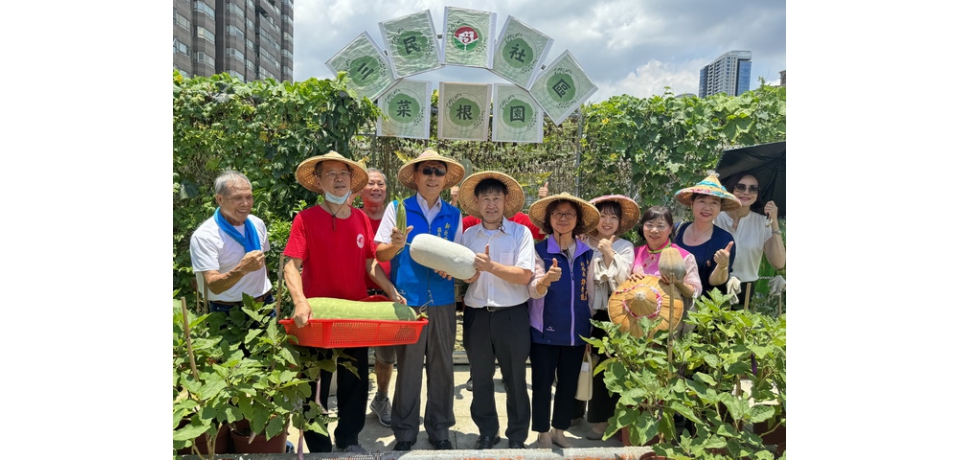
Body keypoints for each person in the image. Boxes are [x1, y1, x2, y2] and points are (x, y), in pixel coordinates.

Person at [282, 151, 404, 454]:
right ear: (319, 180)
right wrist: (300, 301)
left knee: (355, 380)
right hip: (317, 317)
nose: (339, 179)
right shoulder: (306, 219)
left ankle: (349, 440)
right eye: (331, 174)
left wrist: (390, 289)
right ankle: (319, 447)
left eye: (344, 173)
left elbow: (370, 263)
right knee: (315, 385)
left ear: (351, 179)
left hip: (354, 314)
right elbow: (290, 265)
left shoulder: (361, 218)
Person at [373, 149, 465, 451]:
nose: (433, 177)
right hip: (408, 301)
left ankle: (440, 429)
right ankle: (405, 432)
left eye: (439, 172)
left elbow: (460, 259)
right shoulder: (398, 209)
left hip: (442, 301)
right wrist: (394, 245)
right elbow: (379, 254)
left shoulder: (454, 215)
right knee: (408, 369)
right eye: (427, 170)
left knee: (442, 368)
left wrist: (452, 270)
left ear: (445, 179)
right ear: (415, 176)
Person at [457, 171, 535, 450]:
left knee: (515, 379)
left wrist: (491, 267)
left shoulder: (520, 233)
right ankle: (487, 431)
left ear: (505, 202)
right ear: (477, 203)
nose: (491, 205)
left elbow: (524, 275)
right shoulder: (467, 235)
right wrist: (465, 275)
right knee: (480, 377)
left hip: (512, 316)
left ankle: (517, 436)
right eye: (486, 199)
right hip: (477, 315)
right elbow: (461, 272)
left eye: (496, 199)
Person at [526, 193, 599, 449]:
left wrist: (589, 327)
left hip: (577, 332)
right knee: (542, 384)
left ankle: (559, 430)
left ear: (578, 220)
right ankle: (542, 433)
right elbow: (533, 289)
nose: (563, 218)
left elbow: (592, 294)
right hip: (544, 333)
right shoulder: (539, 250)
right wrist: (545, 280)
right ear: (549, 219)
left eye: (569, 214)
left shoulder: (588, 254)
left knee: (568, 385)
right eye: (557, 213)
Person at [580, 195, 639, 441]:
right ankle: (573, 412)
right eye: (602, 215)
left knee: (605, 365)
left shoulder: (625, 246)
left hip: (612, 315)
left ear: (620, 222)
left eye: (613, 217)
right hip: (582, 310)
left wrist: (608, 253)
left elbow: (625, 279)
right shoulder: (581, 241)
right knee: (577, 363)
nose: (607, 221)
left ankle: (601, 420)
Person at [189, 170, 272, 312]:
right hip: (229, 310)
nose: (245, 203)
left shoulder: (257, 223)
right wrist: (242, 269)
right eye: (237, 198)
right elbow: (214, 286)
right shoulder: (204, 236)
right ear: (220, 199)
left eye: (249, 197)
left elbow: (262, 265)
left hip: (265, 302)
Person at [357, 167, 396, 427]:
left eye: (380, 184)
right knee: (356, 355)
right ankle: (354, 402)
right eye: (370, 183)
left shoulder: (394, 218)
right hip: (358, 295)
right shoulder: (352, 216)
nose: (376, 188)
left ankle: (381, 398)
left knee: (386, 354)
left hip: (387, 293)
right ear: (360, 189)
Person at [714, 173, 786, 309]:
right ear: (731, 189)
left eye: (753, 189)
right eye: (740, 187)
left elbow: (779, 263)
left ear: (757, 194)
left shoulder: (762, 223)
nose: (746, 192)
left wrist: (774, 221)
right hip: (714, 287)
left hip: (746, 291)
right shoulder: (715, 219)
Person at [673, 175, 738, 300]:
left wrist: (722, 266)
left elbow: (715, 282)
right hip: (671, 301)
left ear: (720, 207)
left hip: (704, 307)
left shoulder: (724, 239)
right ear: (692, 203)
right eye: (702, 201)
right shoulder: (677, 230)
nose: (707, 208)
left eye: (714, 203)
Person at [631, 206, 701, 302]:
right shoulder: (633, 253)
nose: (654, 230)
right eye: (649, 225)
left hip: (670, 309)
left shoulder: (684, 256)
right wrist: (629, 279)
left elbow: (694, 293)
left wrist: (679, 284)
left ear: (670, 228)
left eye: (660, 226)